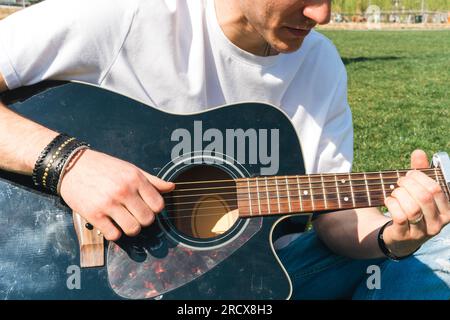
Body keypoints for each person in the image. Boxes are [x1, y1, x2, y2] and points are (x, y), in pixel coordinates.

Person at [0, 0, 448, 299]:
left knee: (438, 227)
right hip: (67, 272)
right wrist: (67, 164)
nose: (323, 12)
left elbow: (334, 214)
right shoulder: (123, 14)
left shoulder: (320, 62)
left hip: (259, 280)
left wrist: (393, 238)